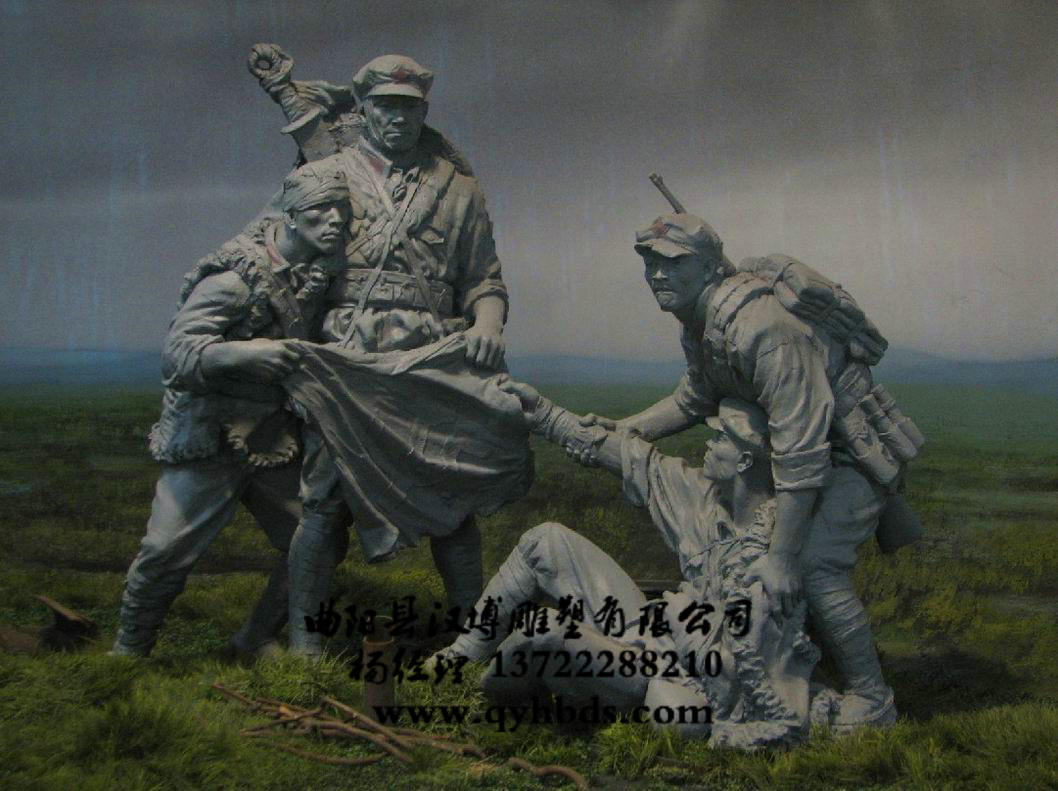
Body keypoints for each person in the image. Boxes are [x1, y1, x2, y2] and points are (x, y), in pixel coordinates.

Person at [585, 212, 925, 728]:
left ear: (708, 268)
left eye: (673, 263)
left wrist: (783, 558)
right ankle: (807, 662)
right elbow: (694, 398)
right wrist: (625, 429)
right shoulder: (702, 323)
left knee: (813, 565)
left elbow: (801, 452)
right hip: (797, 457)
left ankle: (871, 696)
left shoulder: (765, 330)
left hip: (848, 457)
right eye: (650, 263)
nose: (657, 274)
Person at [437, 390, 825, 748]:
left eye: (721, 438)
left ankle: (481, 695)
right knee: (546, 541)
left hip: (679, 674)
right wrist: (543, 414)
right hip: (648, 630)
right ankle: (463, 654)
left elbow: (746, 673)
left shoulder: (778, 554)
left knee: (545, 634)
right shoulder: (701, 498)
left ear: (744, 460)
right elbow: (631, 458)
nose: (709, 444)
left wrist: (682, 625)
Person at [286, 54, 510, 654]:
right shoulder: (327, 174)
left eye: (408, 108)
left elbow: (483, 280)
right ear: (363, 110)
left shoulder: (459, 189)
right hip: (347, 357)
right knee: (324, 500)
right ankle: (304, 644)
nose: (397, 118)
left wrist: (489, 321)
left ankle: (471, 640)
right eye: (385, 106)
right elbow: (287, 255)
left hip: (430, 359)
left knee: (454, 502)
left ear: (424, 111)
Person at [110, 163, 351, 658]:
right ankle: (129, 651)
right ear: (289, 217)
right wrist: (242, 354)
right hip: (208, 437)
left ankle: (253, 638)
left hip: (270, 438)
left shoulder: (320, 273)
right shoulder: (234, 279)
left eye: (340, 212)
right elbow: (177, 356)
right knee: (165, 548)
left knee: (316, 539)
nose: (334, 221)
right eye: (320, 211)